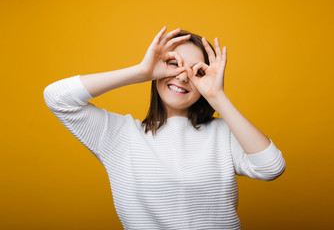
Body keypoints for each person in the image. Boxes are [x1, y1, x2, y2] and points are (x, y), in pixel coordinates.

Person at [43, 26, 286, 230]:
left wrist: (217, 95)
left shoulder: (222, 133)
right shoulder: (119, 135)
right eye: (172, 64)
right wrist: (141, 71)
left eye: (196, 71)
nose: (182, 77)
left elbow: (272, 167)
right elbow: (56, 97)